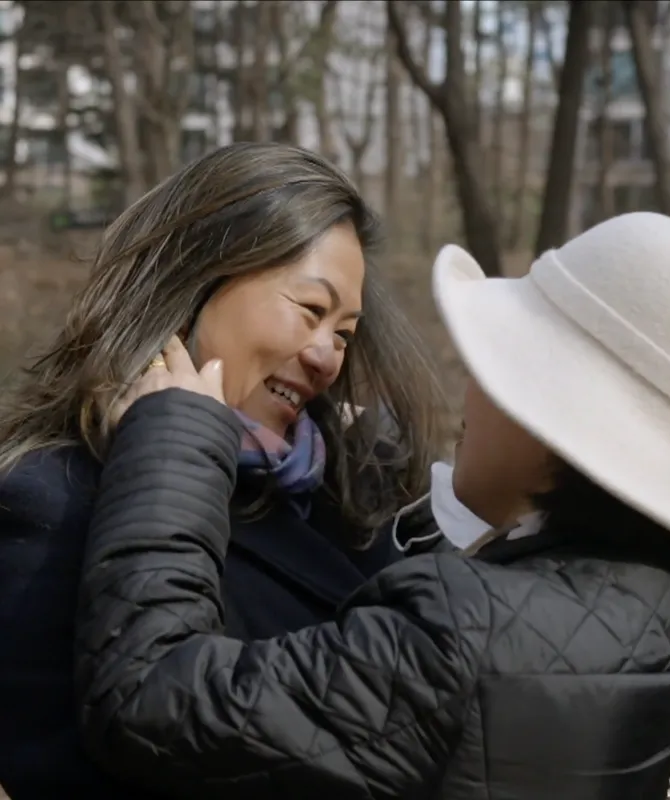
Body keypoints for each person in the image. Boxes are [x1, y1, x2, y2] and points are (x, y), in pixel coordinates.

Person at [74, 212, 670, 800]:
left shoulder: (457, 629)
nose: (469, 395)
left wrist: (174, 442)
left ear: (550, 417)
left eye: (497, 366)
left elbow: (147, 698)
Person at [0, 143, 446, 800]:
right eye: (310, 310)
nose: (327, 357)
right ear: (197, 281)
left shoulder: (351, 503)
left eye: (345, 333)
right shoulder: (53, 502)